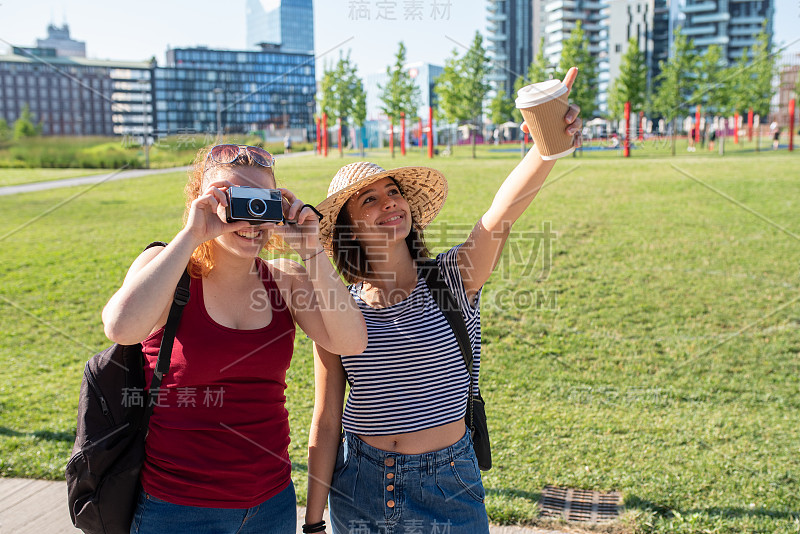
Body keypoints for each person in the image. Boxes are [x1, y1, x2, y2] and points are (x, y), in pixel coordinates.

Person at [304, 67, 583, 534]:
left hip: (446, 487)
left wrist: (546, 147)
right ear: (349, 226)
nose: (389, 202)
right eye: (368, 200)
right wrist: (313, 522)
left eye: (393, 192)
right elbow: (326, 420)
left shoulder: (452, 276)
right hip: (360, 488)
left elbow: (501, 214)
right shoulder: (338, 307)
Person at [101, 144, 367, 534]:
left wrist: (312, 250)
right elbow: (120, 327)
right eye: (234, 199)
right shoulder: (168, 267)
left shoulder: (285, 279)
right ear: (203, 201)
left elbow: (351, 341)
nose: (251, 217)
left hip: (271, 506)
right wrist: (192, 234)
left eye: (262, 201)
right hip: (177, 510)